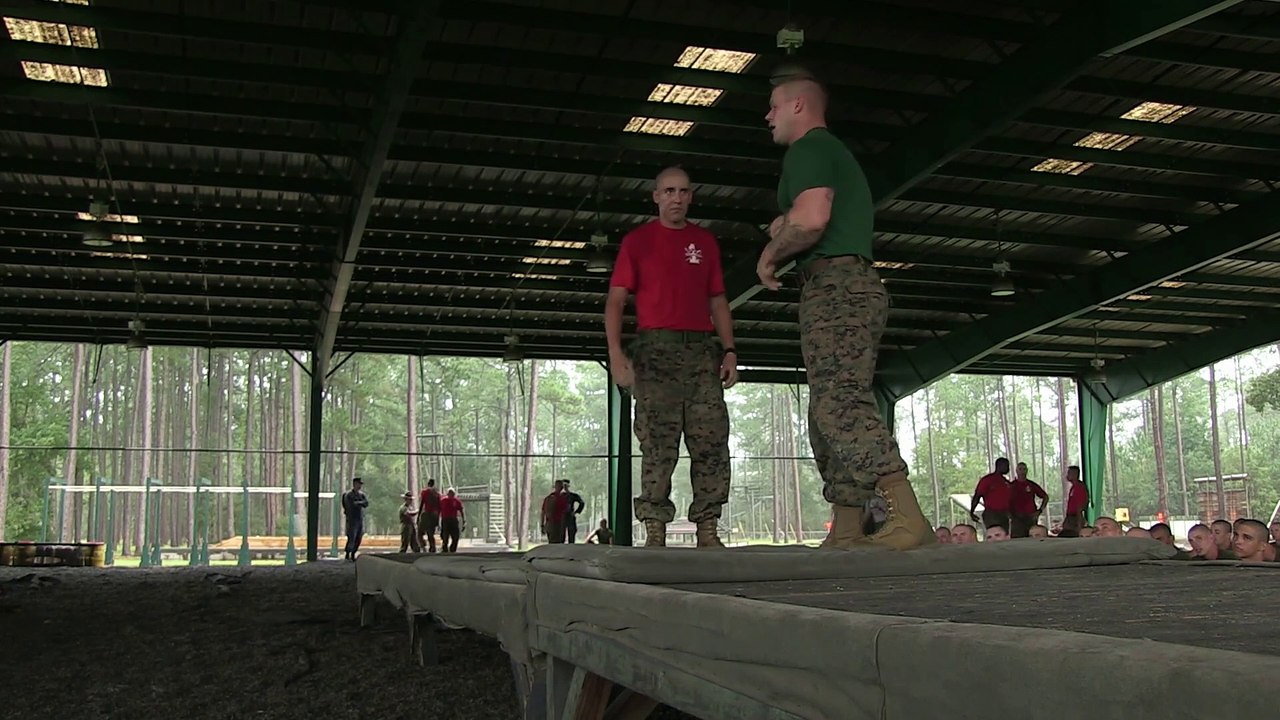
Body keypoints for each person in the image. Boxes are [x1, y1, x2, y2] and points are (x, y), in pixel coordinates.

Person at [755, 69, 933, 550]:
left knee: (839, 403)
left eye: (774, 105)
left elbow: (812, 218)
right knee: (826, 409)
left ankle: (906, 517)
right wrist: (784, 222)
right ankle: (850, 527)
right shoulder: (827, 155)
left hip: (837, 286)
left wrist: (770, 255)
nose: (767, 115)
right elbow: (803, 214)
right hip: (838, 285)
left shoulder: (809, 148)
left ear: (798, 106)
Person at [605, 166, 739, 548]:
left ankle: (708, 526)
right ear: (656, 196)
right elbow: (616, 301)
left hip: (701, 351)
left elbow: (717, 299)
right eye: (669, 191)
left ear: (691, 196)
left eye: (683, 191)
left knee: (711, 439)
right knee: (658, 443)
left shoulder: (705, 242)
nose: (676, 198)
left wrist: (729, 350)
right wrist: (616, 354)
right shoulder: (638, 241)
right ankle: (655, 529)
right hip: (654, 351)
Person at [970, 459, 1013, 531]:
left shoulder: (1005, 481)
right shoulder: (988, 480)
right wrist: (972, 511)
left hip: (1004, 514)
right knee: (994, 533)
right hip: (992, 513)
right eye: (1006, 466)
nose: (1008, 468)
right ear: (1000, 466)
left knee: (1003, 535)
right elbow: (977, 495)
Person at [1008, 462, 1047, 538]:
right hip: (1016, 518)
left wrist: (1039, 511)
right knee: (1017, 539)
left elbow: (1045, 497)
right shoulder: (1011, 485)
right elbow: (1005, 500)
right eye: (1020, 469)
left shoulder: (1031, 484)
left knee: (1033, 538)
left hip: (1031, 517)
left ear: (1027, 470)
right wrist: (1009, 513)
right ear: (1016, 471)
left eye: (1024, 469)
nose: (1022, 471)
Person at [341, 477, 369, 561]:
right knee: (352, 536)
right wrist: (358, 504)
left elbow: (366, 503)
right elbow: (349, 505)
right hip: (352, 519)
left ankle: (353, 552)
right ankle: (348, 553)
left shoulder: (361, 495)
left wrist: (358, 503)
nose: (359, 486)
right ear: (354, 484)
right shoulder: (348, 495)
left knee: (358, 537)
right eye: (358, 484)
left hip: (359, 518)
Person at [1060, 465, 1088, 537]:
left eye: (1069, 473)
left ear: (1075, 474)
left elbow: (1080, 506)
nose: (1067, 476)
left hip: (1074, 518)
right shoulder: (1073, 487)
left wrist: (1079, 523)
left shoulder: (1079, 487)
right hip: (1070, 517)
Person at [540, 480, 569, 544]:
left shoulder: (548, 498)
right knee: (559, 543)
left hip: (549, 524)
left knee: (551, 542)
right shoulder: (562, 499)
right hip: (559, 524)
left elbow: (543, 512)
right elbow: (566, 511)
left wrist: (542, 525)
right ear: (561, 488)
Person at [417, 478, 441, 553]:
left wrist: (418, 516)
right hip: (434, 515)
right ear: (434, 484)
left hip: (426, 514)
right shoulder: (437, 494)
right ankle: (432, 548)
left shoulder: (424, 492)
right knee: (430, 533)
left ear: (428, 484)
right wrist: (438, 518)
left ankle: (423, 546)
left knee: (419, 532)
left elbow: (422, 504)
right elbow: (439, 506)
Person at [439, 488, 464, 553]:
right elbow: (439, 510)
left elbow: (461, 510)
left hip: (453, 519)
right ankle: (445, 548)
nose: (451, 495)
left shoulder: (456, 501)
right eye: (450, 493)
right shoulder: (443, 500)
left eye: (452, 493)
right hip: (445, 520)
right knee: (445, 535)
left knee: (456, 536)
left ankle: (452, 548)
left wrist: (464, 520)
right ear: (447, 494)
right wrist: (438, 519)